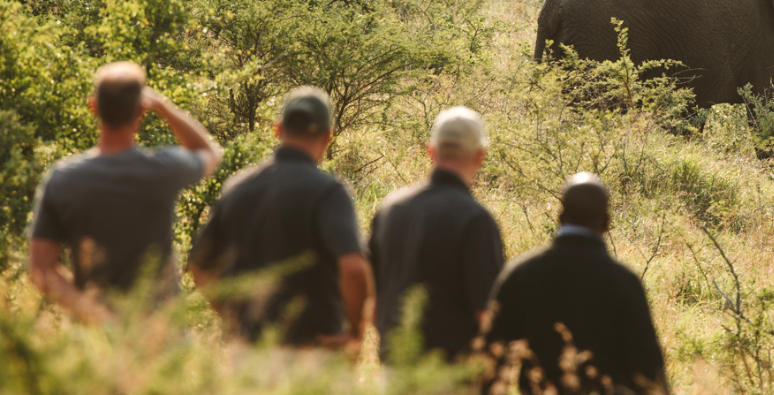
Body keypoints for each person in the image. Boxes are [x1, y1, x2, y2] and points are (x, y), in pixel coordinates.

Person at [28, 62, 223, 323]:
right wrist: (163, 106)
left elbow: (41, 269)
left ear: (93, 106)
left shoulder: (64, 179)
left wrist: (99, 317)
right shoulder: (163, 169)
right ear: (141, 110)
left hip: (93, 342)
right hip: (159, 334)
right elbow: (210, 153)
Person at [187, 87, 374, 352]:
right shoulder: (328, 191)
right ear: (328, 135)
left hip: (249, 351)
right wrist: (355, 332)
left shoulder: (238, 187)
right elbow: (354, 267)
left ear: (277, 130)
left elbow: (199, 265)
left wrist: (232, 320)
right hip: (312, 350)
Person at [484, 173, 668, 395]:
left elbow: (490, 358)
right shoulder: (623, 281)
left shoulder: (522, 272)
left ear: (560, 217)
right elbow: (649, 371)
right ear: (607, 221)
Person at [368, 106, 504, 363]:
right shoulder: (475, 219)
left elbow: (372, 295)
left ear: (431, 151)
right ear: (480, 156)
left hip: (395, 366)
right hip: (450, 372)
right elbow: (486, 313)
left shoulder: (391, 208)